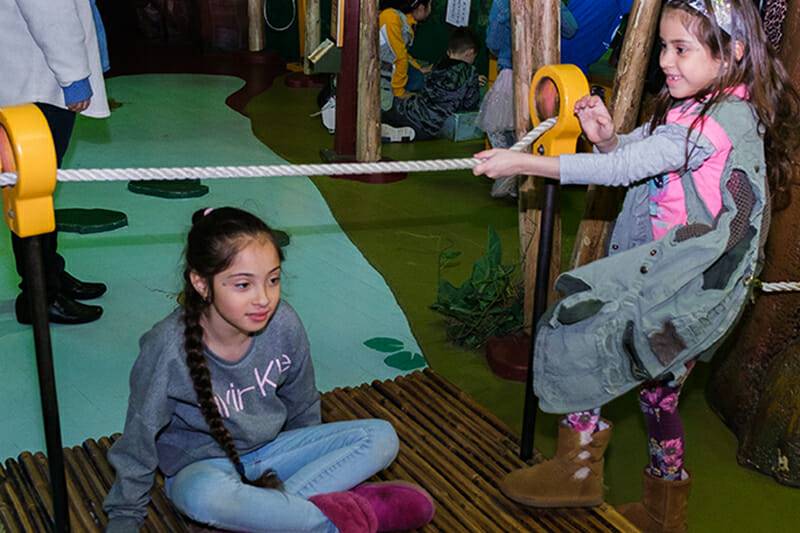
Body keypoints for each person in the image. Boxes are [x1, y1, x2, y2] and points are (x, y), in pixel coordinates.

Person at [473, 1, 800, 531]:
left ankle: (580, 472)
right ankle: (661, 503)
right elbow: (636, 153)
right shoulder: (697, 108)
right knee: (657, 388)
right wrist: (605, 138)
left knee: (594, 342)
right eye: (664, 47)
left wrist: (524, 161)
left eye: (681, 49)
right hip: (674, 286)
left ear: (733, 53)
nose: (667, 61)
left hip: (686, 296)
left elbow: (630, 167)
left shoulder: (722, 121)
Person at [103, 207, 436, 532]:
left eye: (273, 280)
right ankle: (354, 516)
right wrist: (125, 516)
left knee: (380, 437)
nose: (264, 299)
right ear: (201, 283)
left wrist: (310, 465)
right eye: (243, 285)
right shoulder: (166, 348)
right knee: (203, 497)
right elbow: (140, 439)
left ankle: (283, 514)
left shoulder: (284, 323)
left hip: (274, 452)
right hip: (203, 470)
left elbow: (303, 404)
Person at [0, 0, 110, 324]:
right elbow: (50, 11)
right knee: (31, 191)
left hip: (32, 79)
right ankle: (39, 295)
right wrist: (73, 77)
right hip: (38, 86)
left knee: (39, 188)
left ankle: (51, 276)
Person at [477, 0, 578, 198]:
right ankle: (530, 181)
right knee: (537, 133)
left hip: (512, 75)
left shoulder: (502, 3)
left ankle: (510, 179)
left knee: (500, 130)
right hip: (545, 80)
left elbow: (493, 42)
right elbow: (571, 29)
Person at [382, 28, 484, 142]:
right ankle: (401, 135)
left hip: (408, 110)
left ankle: (388, 126)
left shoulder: (438, 65)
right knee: (419, 132)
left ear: (449, 51)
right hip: (428, 125)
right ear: (469, 52)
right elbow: (470, 104)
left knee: (388, 113)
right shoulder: (470, 72)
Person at [379, 0, 434, 113]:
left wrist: (419, 68)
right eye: (430, 5)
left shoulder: (405, 20)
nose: (430, 10)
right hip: (382, 77)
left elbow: (403, 53)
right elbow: (400, 57)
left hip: (391, 73)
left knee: (419, 78)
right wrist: (400, 92)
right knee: (418, 82)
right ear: (421, 8)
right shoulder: (390, 17)